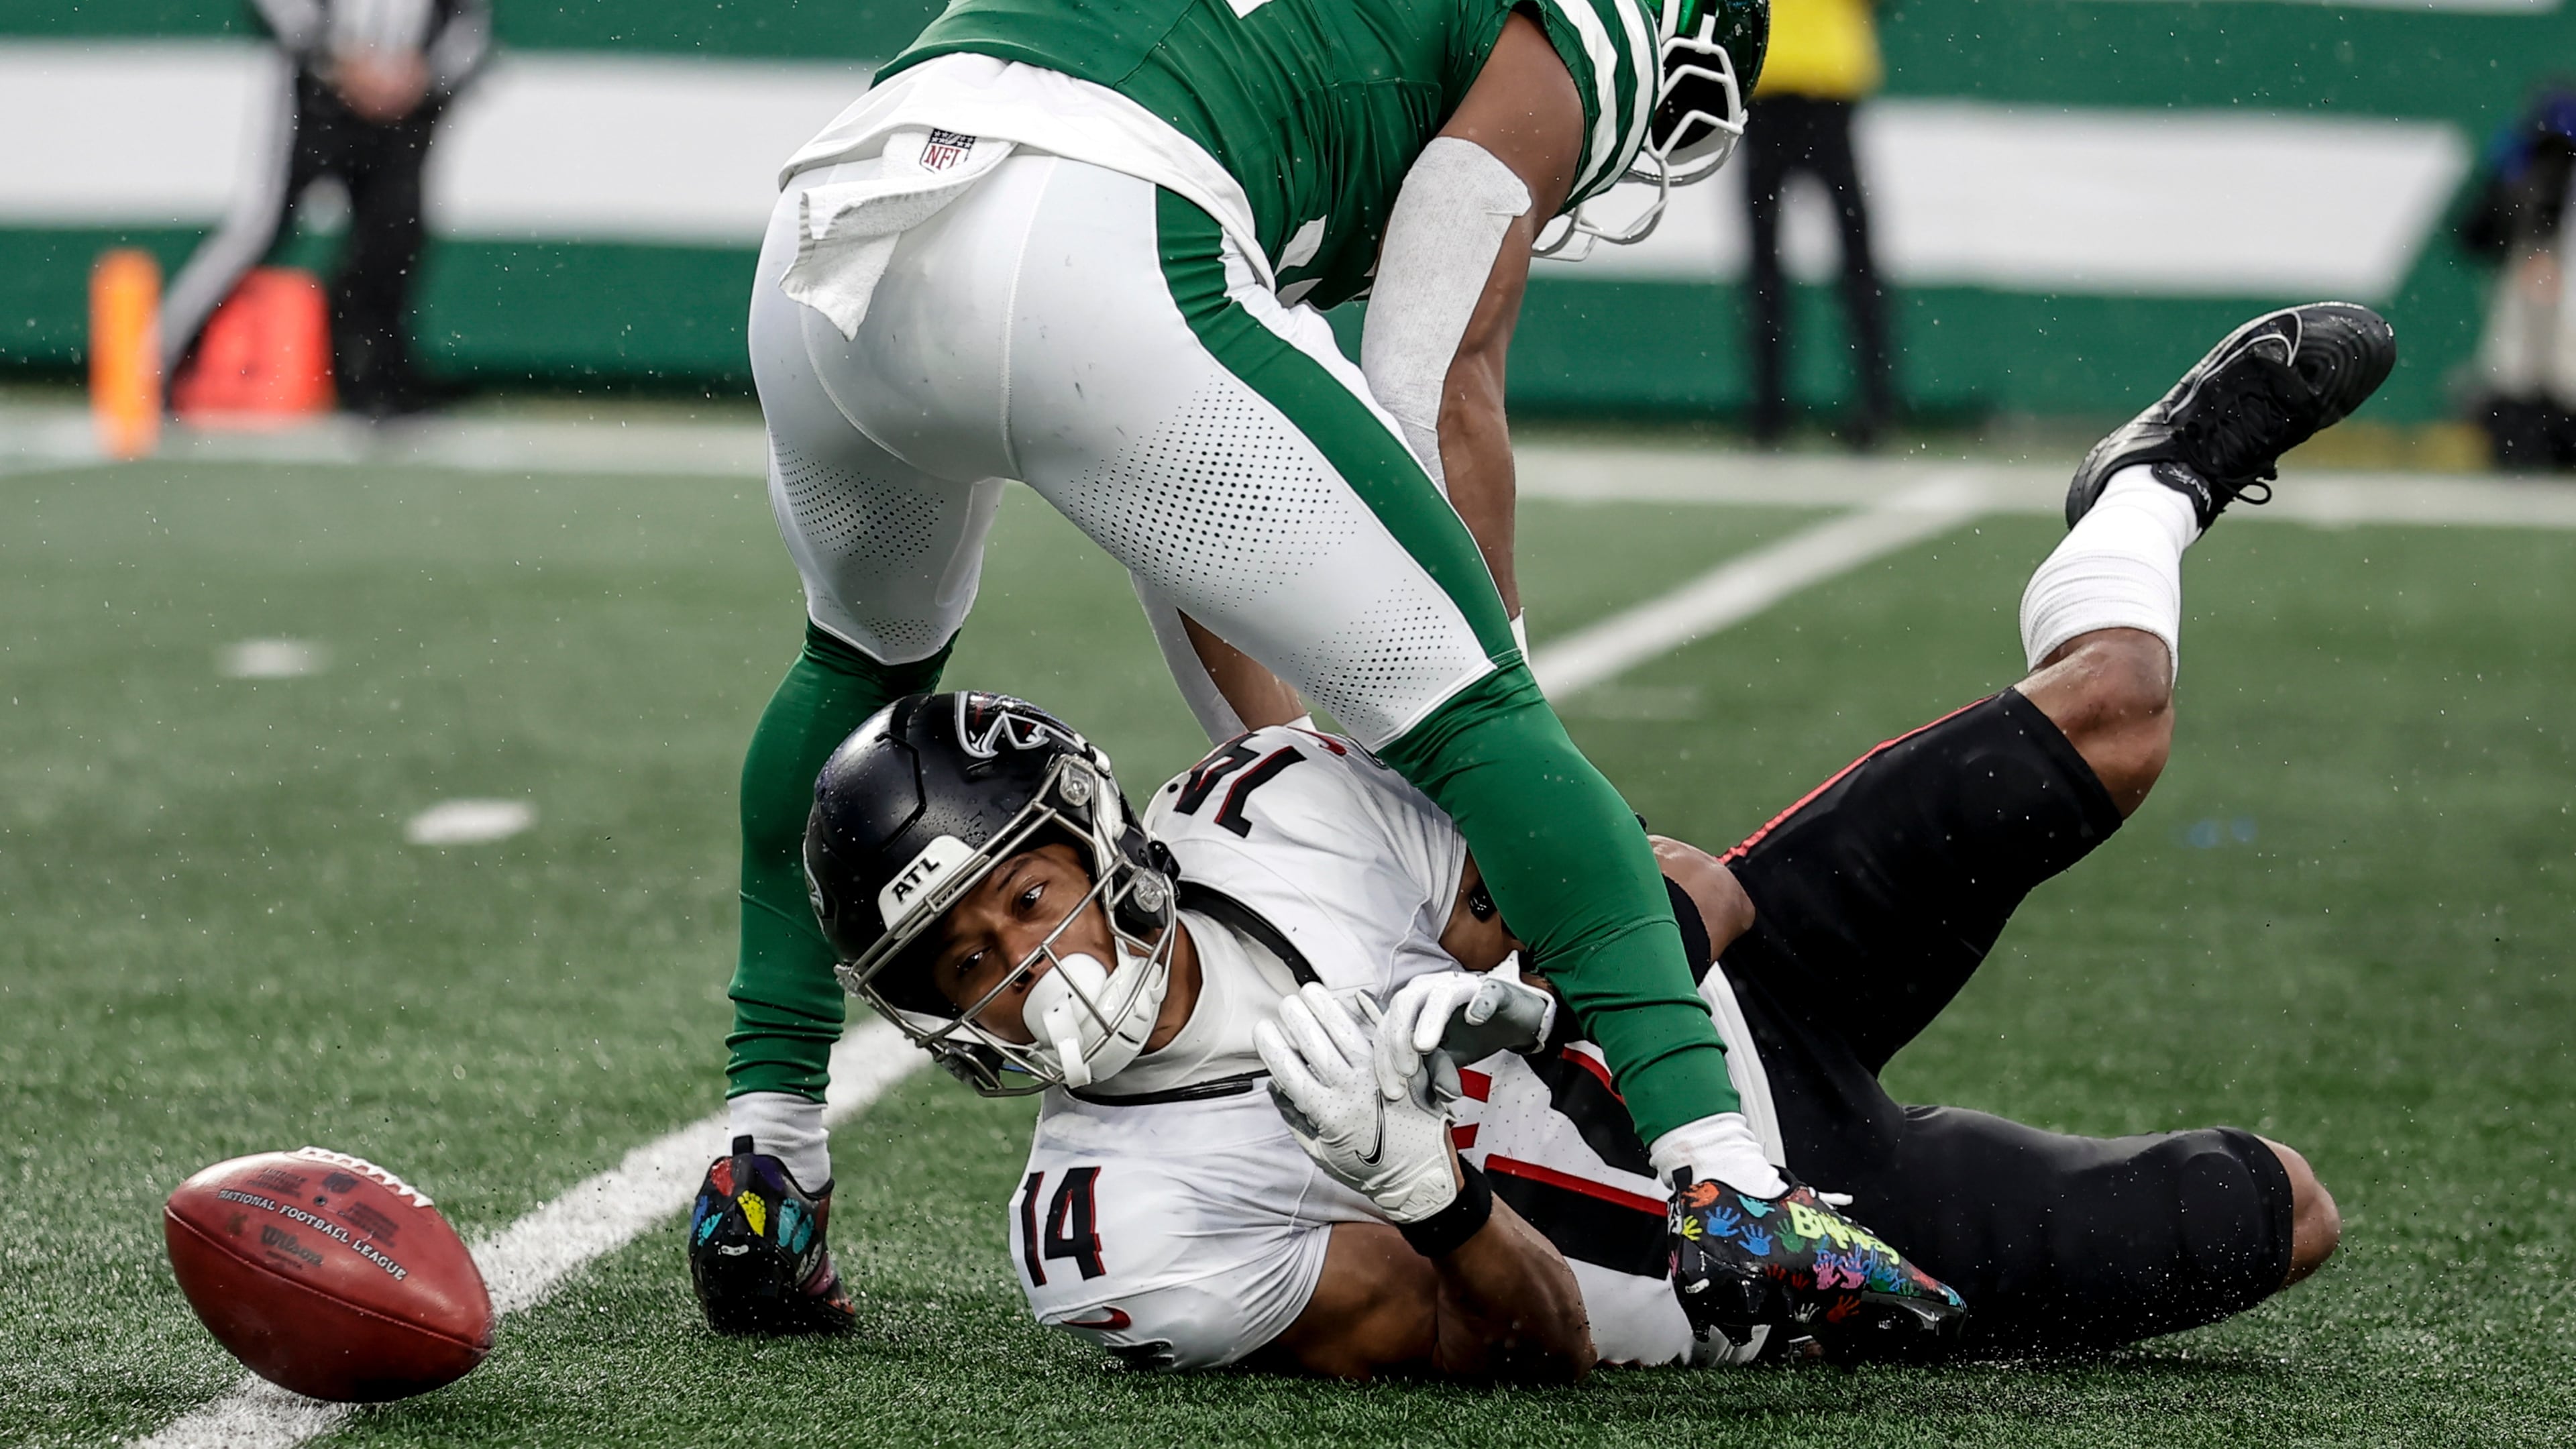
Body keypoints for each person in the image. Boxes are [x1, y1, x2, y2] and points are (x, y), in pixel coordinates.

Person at [692, 301, 2394, 1367]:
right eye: (963, 964)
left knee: (2114, 711)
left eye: (1020, 903)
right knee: (2280, 1211)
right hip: (1775, 1238)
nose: (1021, 969)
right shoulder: (1106, 1234)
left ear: (1093, 840)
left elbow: (1688, 890)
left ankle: (2143, 494)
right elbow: (1529, 1341)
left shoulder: (1263, 809)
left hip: (1712, 1023)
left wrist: (1522, 986)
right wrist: (1421, 1184)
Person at [718, 0, 1790, 1334]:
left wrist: (1287, 767)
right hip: (1094, 220)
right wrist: (1485, 756)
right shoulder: (1612, 24)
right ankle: (1723, 1174)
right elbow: (1432, 359)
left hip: (846, 227)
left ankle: (761, 1165)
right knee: (1488, 718)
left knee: (847, 666)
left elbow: (1193, 500)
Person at [160, 0, 490, 418]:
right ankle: (157, 360)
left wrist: (420, 76)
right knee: (260, 228)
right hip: (315, 93)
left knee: (393, 236)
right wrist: (341, 58)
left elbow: (470, 26)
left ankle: (376, 380)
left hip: (405, 107)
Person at [1739, 0, 1892, 447]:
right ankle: (1873, 407)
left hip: (1777, 77)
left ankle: (1768, 415)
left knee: (1768, 265)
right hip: (1823, 77)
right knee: (1855, 262)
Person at [2455, 85, 2576, 470]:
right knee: (2520, 361)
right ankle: (2525, 443)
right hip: (2531, 269)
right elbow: (2478, 231)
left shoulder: (2523, 157)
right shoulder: (2521, 159)